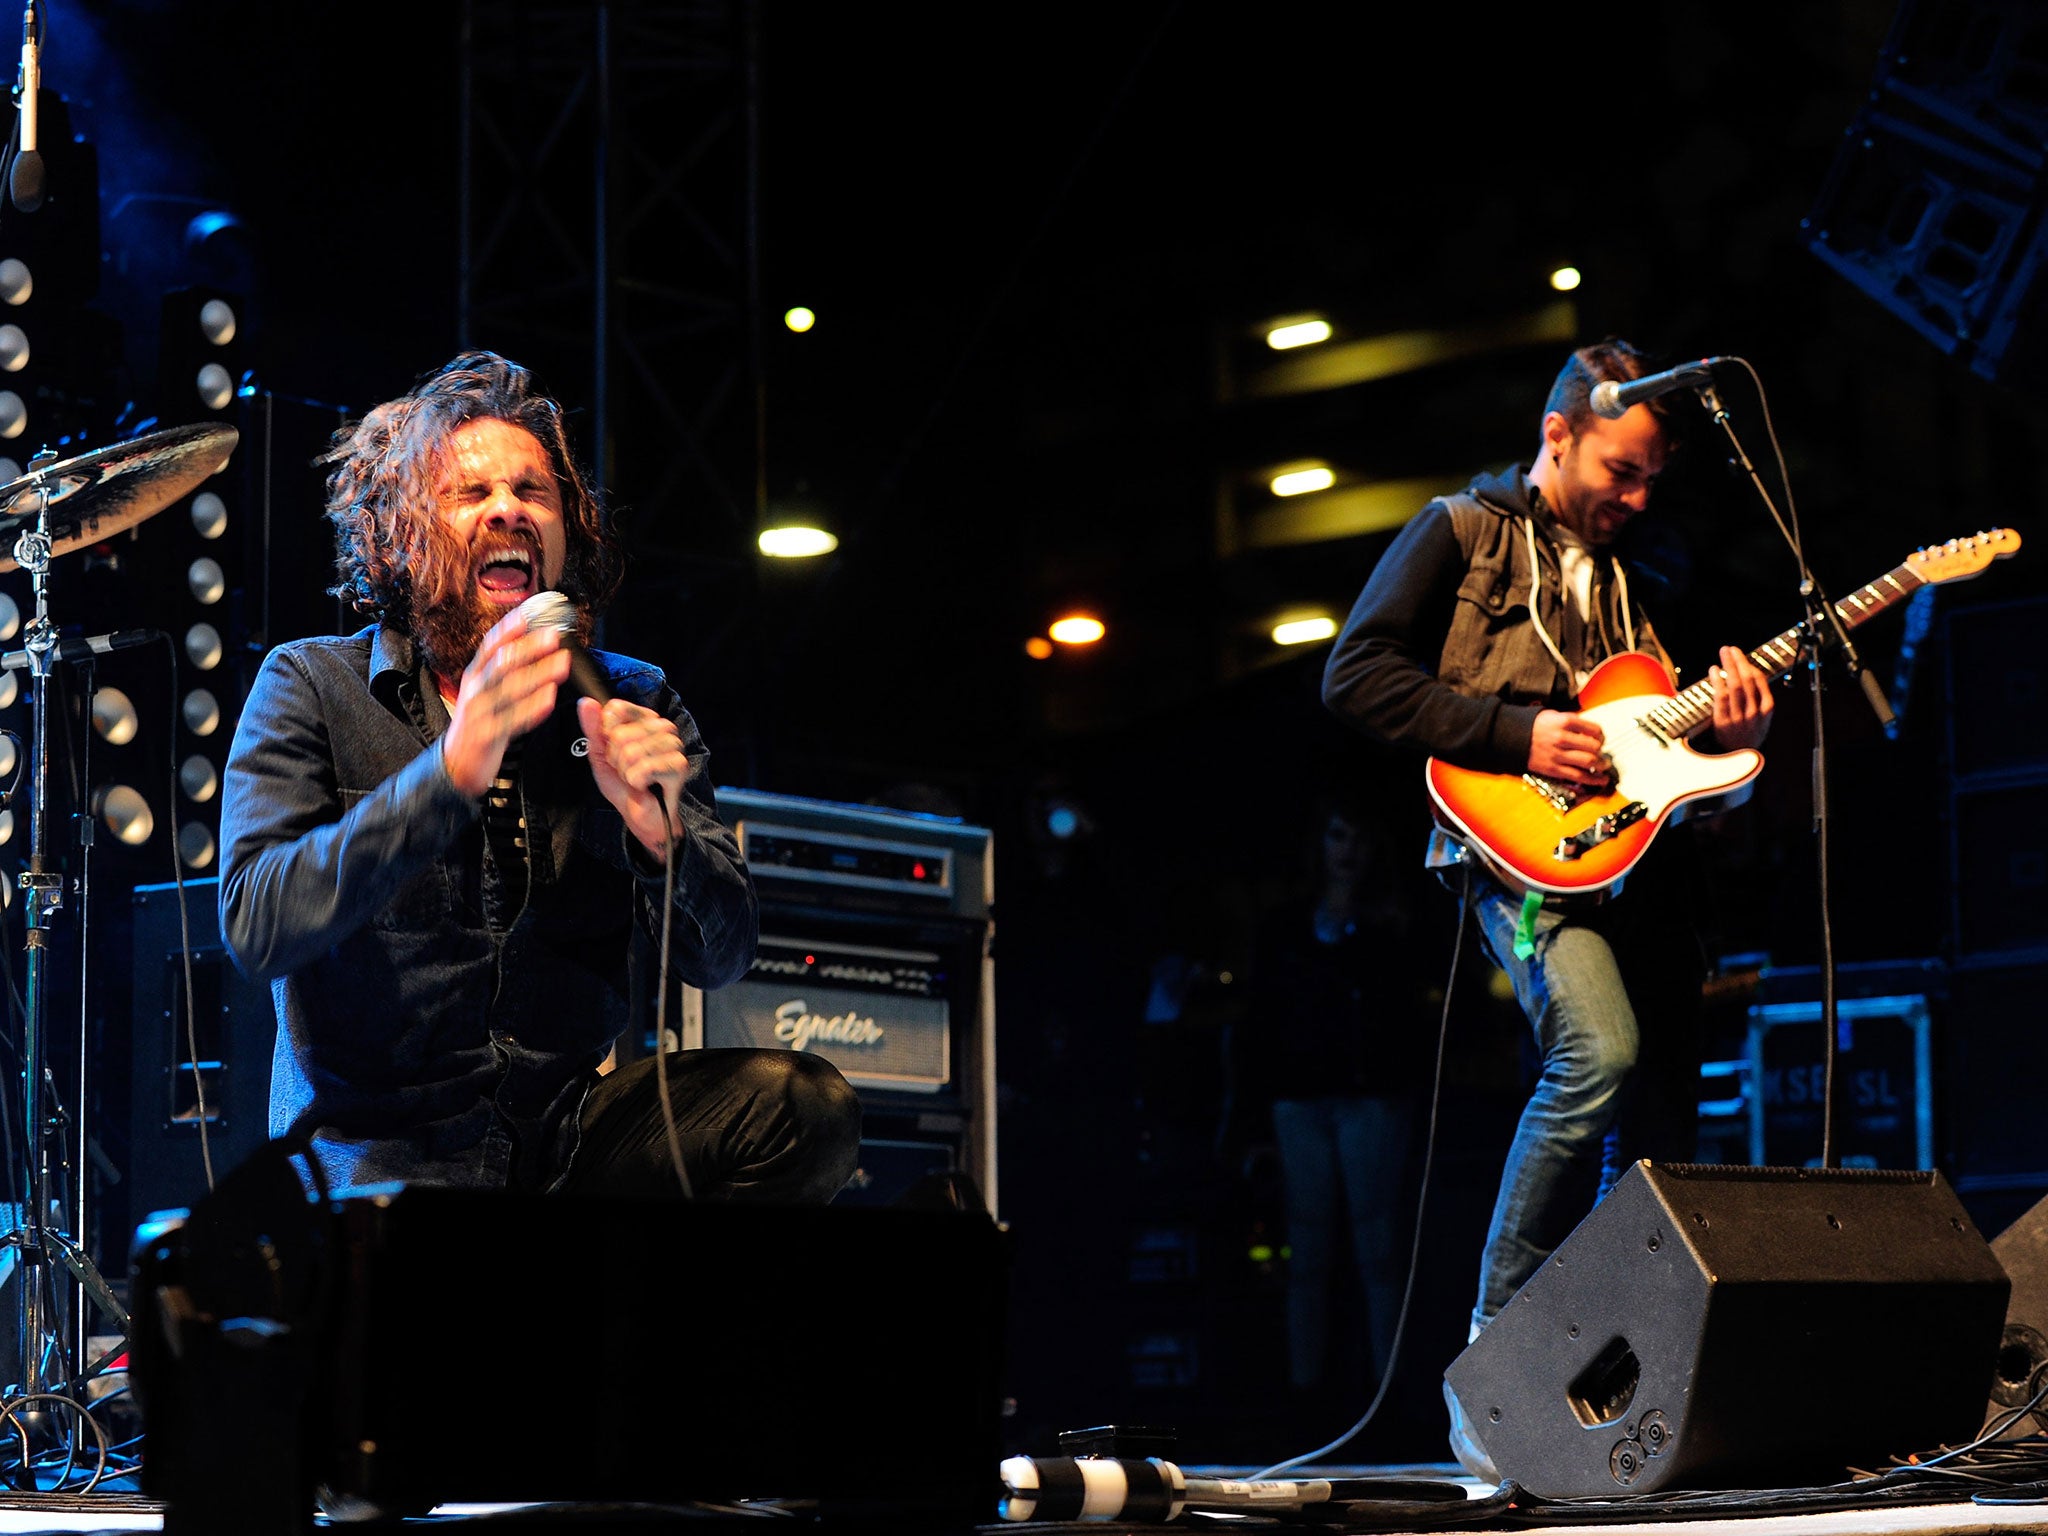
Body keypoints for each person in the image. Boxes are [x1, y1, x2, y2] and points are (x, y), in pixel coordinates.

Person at [218, 350, 861, 1200]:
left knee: (798, 1106)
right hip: (376, 1155)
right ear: (404, 538)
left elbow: (725, 955)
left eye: (534, 493)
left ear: (567, 535)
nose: (509, 513)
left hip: (565, 1143)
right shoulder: (312, 684)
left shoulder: (633, 698)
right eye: (471, 494)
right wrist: (450, 772)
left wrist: (661, 836)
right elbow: (258, 922)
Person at [1319, 339, 1773, 1474]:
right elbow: (1354, 674)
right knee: (1595, 1051)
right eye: (1617, 470)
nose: (1632, 496)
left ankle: (1620, 1382)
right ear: (1556, 434)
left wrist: (1739, 742)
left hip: (1629, 871)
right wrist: (1514, 731)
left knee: (1663, 1127)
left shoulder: (1627, 587)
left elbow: (1662, 782)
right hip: (1515, 857)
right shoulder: (1458, 530)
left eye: (1648, 481)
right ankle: (1489, 1359)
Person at [1231, 797, 1432, 1409]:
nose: (1348, 853)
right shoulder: (1287, 925)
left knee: (1377, 1247)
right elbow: (1260, 1022)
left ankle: (1385, 1391)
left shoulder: (1388, 926)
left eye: (1359, 840)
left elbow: (1403, 1018)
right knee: (1308, 1246)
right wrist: (1253, 1116)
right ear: (1321, 845)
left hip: (1368, 1098)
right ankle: (1306, 1392)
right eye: (1339, 837)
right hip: (1302, 1099)